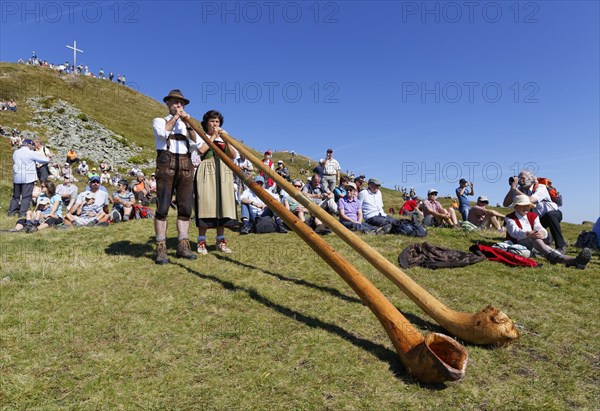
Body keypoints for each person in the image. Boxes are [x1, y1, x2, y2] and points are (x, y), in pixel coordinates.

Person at [152, 89, 198, 263]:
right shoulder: (159, 120)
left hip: (186, 166)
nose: (179, 105)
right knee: (162, 207)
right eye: (175, 102)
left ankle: (183, 244)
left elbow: (196, 142)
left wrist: (187, 122)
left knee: (185, 208)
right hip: (166, 165)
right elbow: (162, 134)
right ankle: (161, 247)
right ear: (168, 103)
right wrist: (176, 117)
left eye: (182, 103)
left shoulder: (187, 123)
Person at [194, 110, 238, 255]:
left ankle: (220, 241)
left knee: (222, 205)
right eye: (212, 121)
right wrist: (213, 136)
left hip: (223, 171)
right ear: (206, 123)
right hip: (207, 169)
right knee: (206, 203)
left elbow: (233, 155)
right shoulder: (203, 136)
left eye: (217, 122)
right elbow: (201, 150)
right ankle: (201, 242)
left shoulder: (223, 137)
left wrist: (225, 139)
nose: (215, 124)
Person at [505, 195, 591, 269]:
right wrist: (528, 233)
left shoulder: (533, 216)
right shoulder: (509, 218)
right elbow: (514, 232)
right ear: (516, 207)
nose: (525, 208)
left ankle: (574, 261)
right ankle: (565, 259)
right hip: (517, 242)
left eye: (527, 205)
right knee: (538, 241)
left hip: (533, 241)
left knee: (544, 242)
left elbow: (539, 227)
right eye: (522, 205)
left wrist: (542, 232)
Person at [503, 170, 566, 254]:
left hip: (553, 213)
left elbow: (530, 200)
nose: (520, 180)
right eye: (519, 178)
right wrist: (512, 189)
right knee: (532, 231)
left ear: (532, 179)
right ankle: (546, 239)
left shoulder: (541, 187)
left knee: (551, 215)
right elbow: (505, 204)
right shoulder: (519, 189)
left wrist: (515, 190)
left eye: (523, 178)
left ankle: (561, 247)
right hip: (538, 218)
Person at [8, 139, 50, 217]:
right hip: (28, 178)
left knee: (16, 196)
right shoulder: (30, 153)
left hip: (17, 177)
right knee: (26, 196)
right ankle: (22, 213)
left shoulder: (16, 152)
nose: (32, 146)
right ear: (29, 145)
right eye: (32, 145)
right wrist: (48, 157)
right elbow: (44, 160)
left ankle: (11, 212)